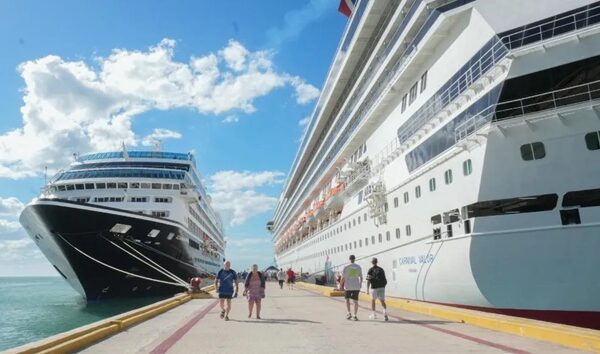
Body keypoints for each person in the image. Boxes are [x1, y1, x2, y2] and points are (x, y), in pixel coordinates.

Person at [342, 255, 363, 321]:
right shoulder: (358, 267)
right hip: (356, 286)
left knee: (347, 300)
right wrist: (360, 284)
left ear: (349, 259)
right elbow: (361, 277)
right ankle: (355, 315)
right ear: (354, 259)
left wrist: (340, 286)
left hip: (348, 287)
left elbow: (342, 278)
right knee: (355, 301)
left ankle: (349, 313)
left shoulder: (346, 267)